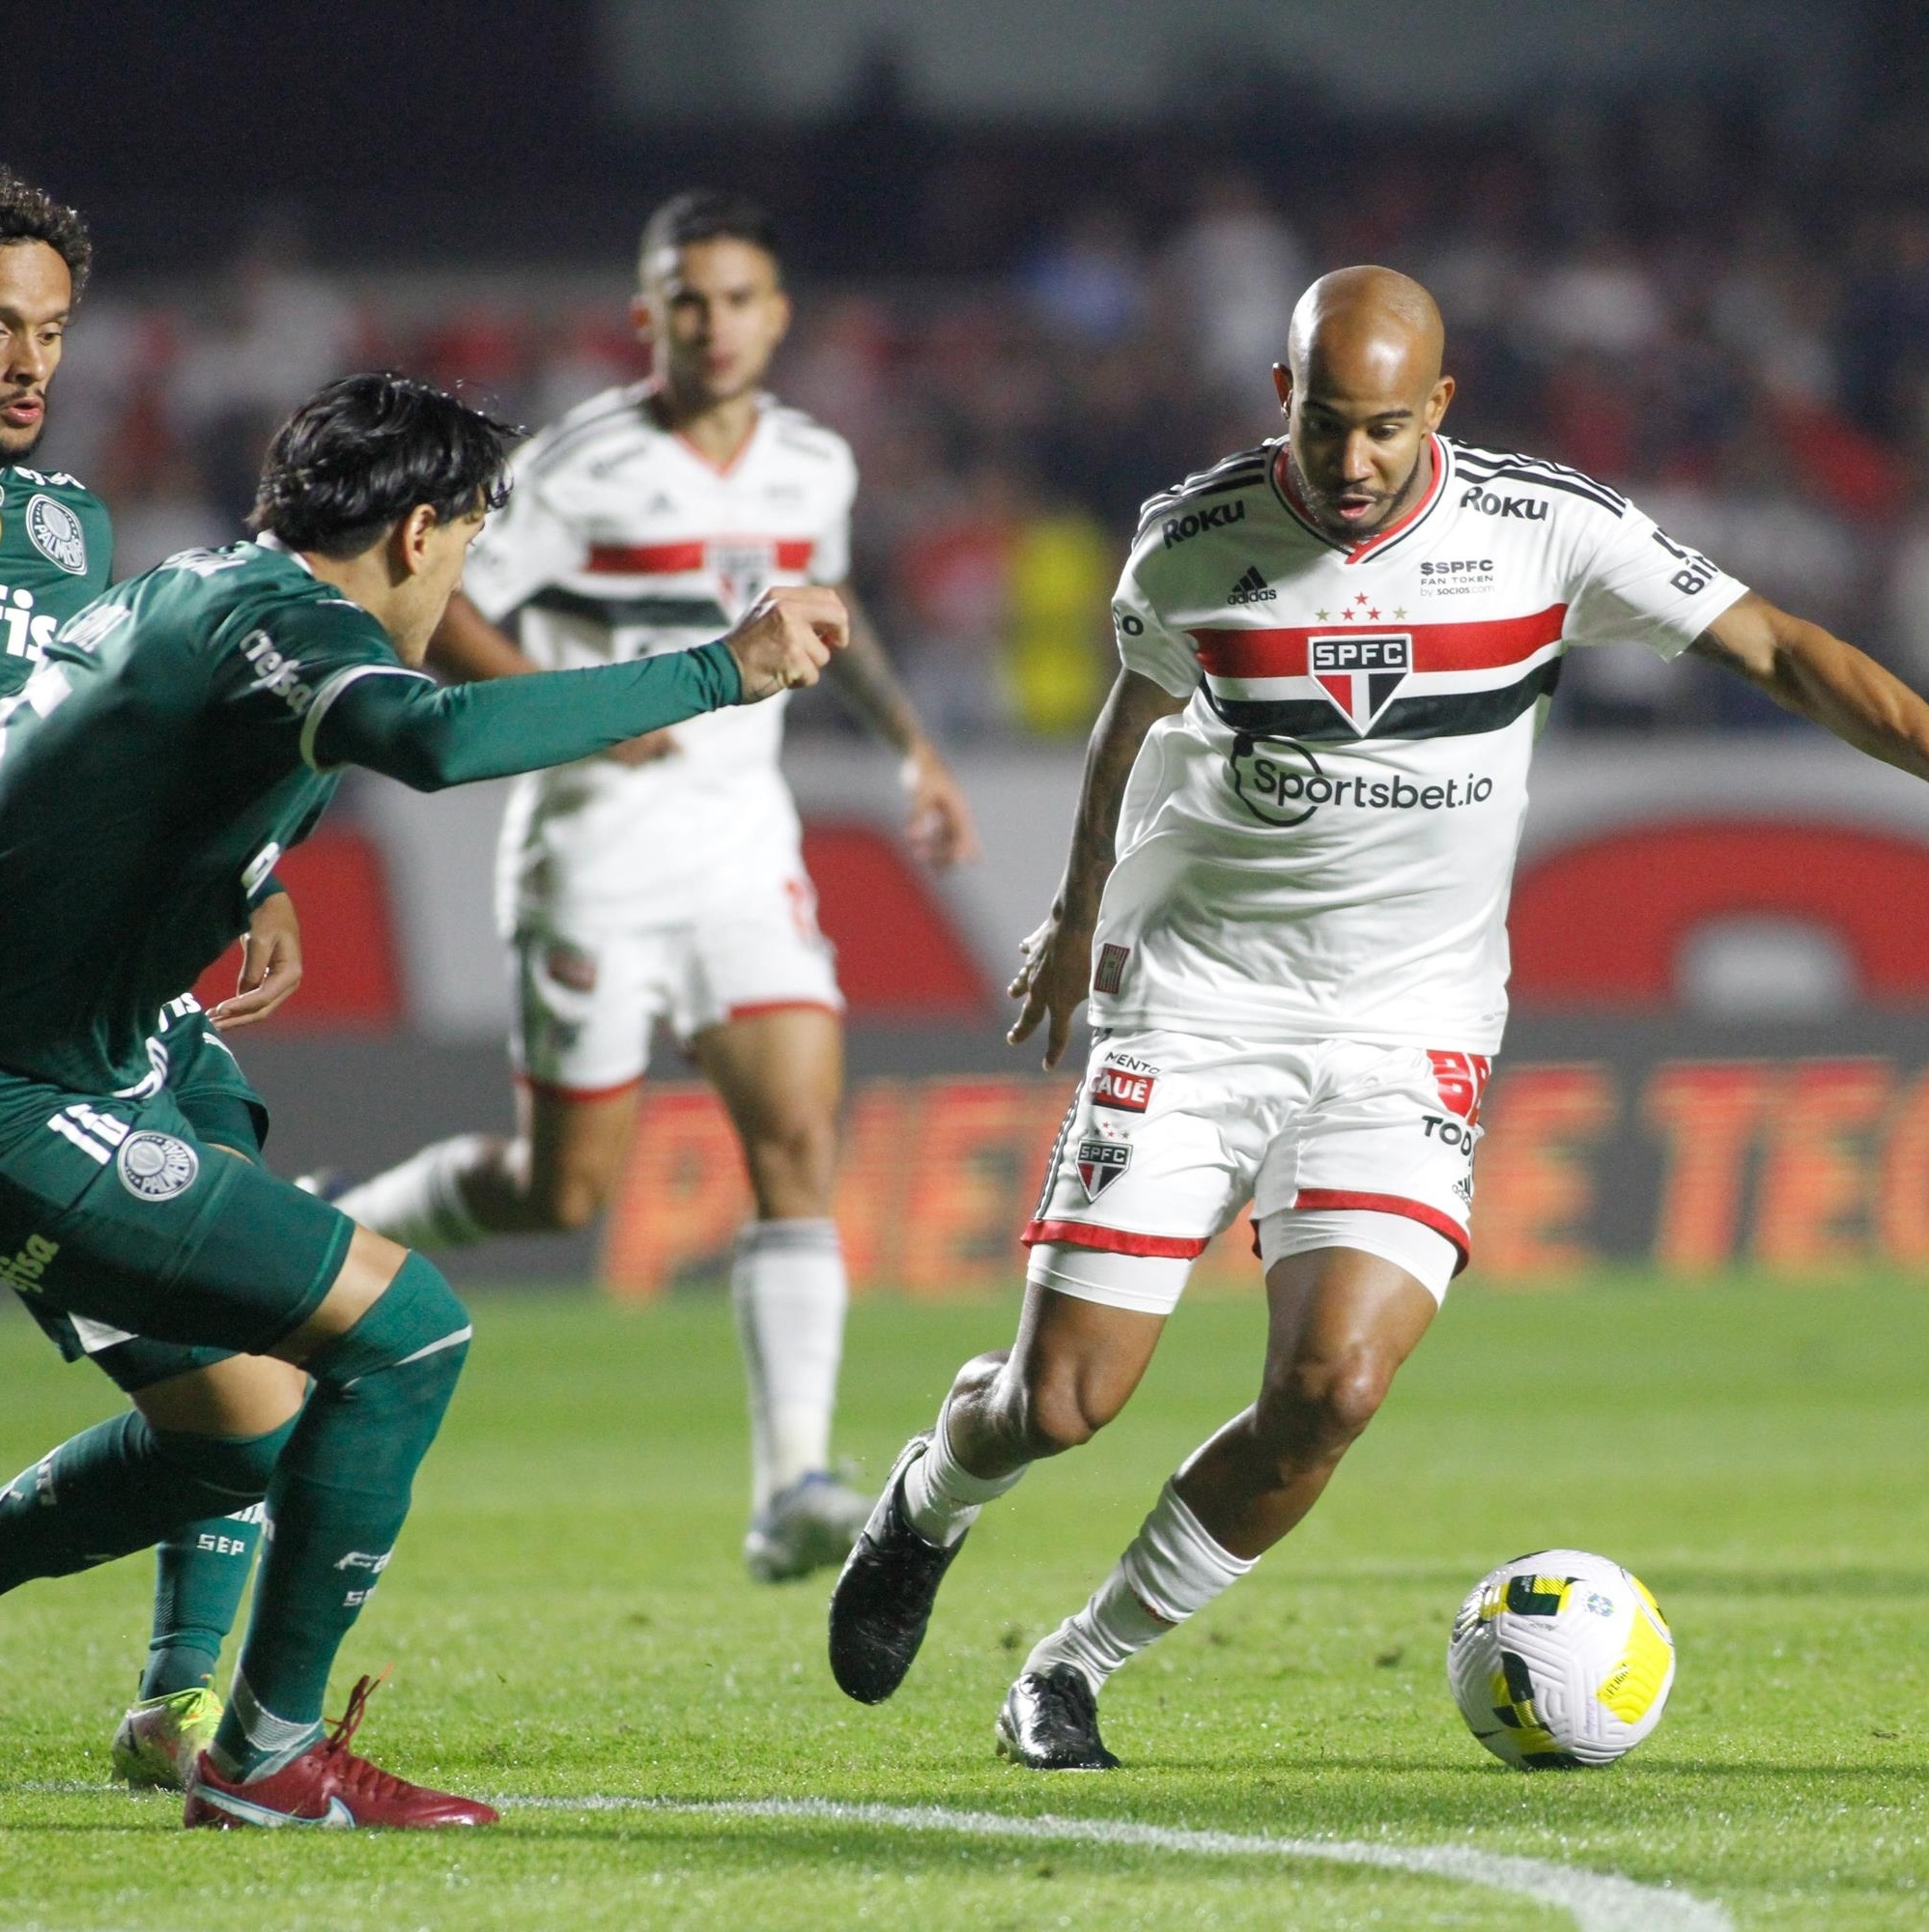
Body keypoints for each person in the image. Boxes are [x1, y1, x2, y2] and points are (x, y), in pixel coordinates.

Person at [827, 265, 1929, 1769]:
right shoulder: (1191, 542)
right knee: (1063, 1402)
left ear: (1441, 410)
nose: (1353, 463)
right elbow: (1130, 715)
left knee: (1332, 1386)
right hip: (1200, 997)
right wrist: (1082, 910)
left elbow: (1781, 652)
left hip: (1408, 1022)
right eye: (1329, 425)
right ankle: (925, 1505)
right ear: (1282, 398)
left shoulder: (1548, 531)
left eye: (1387, 431)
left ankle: (1071, 1670)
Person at [0, 369, 845, 1827]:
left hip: (111, 1049)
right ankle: (264, 1759)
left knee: (241, 1428)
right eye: (463, 540)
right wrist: (727, 668)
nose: (456, 575)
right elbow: (440, 742)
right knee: (405, 1332)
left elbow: (100, 765)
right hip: (30, 1091)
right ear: (414, 533)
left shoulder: (190, 582)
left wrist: (247, 878)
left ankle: (212, 1719)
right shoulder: (295, 627)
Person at [327, 190, 978, 1582]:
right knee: (562, 1191)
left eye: (739, 298)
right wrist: (573, 711)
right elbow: (438, 597)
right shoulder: (580, 465)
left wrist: (914, 748)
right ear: (648, 317)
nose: (715, 324)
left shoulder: (812, 462)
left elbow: (828, 613)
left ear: (777, 315)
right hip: (593, 848)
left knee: (799, 1138)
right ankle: (339, 1232)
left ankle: (795, 1481)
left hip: (743, 843)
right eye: (688, 300)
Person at [0, 167, 311, 1790]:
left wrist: (250, 870)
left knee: (255, 1376)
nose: (26, 360)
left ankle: (179, 1707)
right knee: (252, 1396)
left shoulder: (61, 522)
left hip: (126, 991)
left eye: (49, 328)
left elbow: (99, 731)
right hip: (23, 1036)